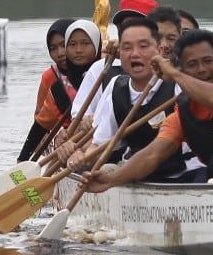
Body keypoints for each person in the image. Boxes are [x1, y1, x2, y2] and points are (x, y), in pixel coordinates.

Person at [84, 29, 213, 191]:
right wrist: (110, 180)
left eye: (207, 61)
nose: (202, 70)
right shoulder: (183, 114)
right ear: (185, 71)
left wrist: (173, 73)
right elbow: (152, 155)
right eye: (192, 65)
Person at [61, 18, 205, 183]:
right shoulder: (116, 88)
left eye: (143, 46)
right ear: (119, 55)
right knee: (103, 168)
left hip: (186, 173)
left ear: (159, 50)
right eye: (127, 48)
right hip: (136, 174)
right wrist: (77, 158)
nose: (135, 54)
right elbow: (100, 147)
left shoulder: (178, 85)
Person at [71, 0, 159, 119]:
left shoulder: (169, 71)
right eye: (123, 26)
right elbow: (79, 113)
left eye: (137, 25)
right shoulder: (102, 68)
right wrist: (86, 121)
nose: (129, 31)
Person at [16, 18, 75, 161]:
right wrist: (23, 160)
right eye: (53, 48)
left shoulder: (98, 68)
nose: (60, 53)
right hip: (64, 138)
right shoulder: (50, 77)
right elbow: (41, 123)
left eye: (64, 45)